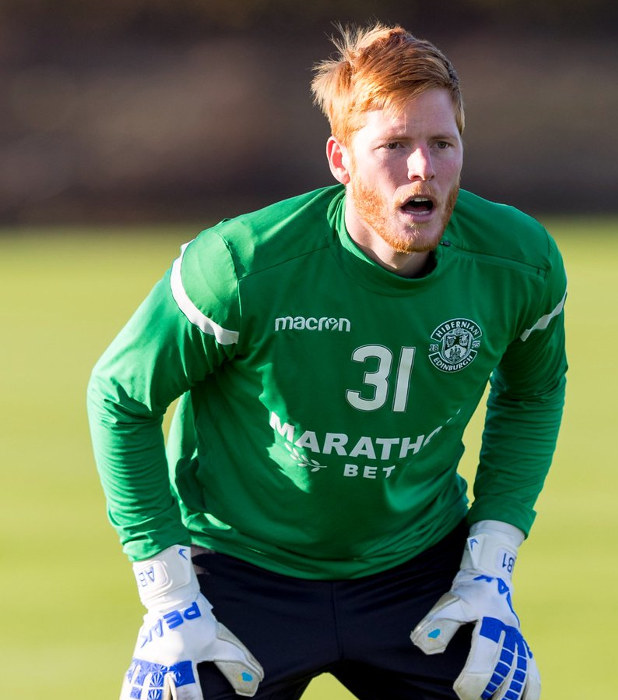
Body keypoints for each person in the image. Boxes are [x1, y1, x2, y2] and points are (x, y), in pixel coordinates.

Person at [88, 22, 567, 700]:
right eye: (394, 146)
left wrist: (492, 562)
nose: (423, 168)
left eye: (442, 143)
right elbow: (120, 396)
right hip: (241, 570)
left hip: (416, 571)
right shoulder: (241, 265)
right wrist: (166, 592)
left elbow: (534, 390)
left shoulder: (519, 263)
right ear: (341, 160)